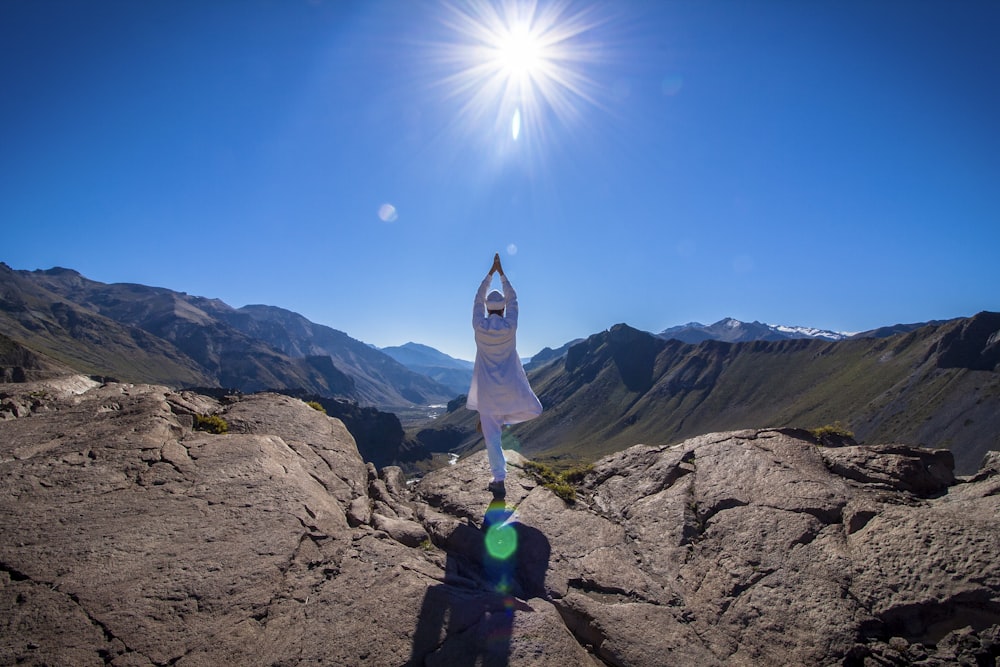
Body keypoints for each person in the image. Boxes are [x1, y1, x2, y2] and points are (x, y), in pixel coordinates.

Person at [466, 253, 543, 496]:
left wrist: (489, 273)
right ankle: (502, 418)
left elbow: (477, 299)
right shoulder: (511, 327)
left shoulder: (479, 327)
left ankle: (498, 479)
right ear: (504, 309)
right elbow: (514, 299)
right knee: (535, 409)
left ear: (488, 310)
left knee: (492, 439)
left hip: (487, 394)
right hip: (510, 389)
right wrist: (502, 274)